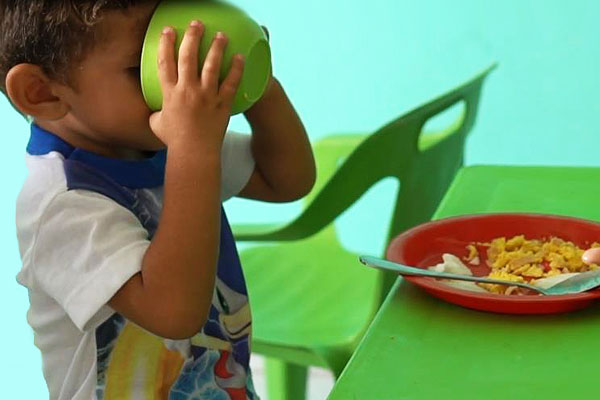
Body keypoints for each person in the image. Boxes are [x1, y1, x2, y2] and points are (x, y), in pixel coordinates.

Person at [2, 1, 315, 399]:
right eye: (145, 67)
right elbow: (174, 313)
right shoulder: (64, 203)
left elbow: (286, 181)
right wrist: (194, 149)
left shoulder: (165, 143)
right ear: (42, 91)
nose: (181, 82)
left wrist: (260, 84)